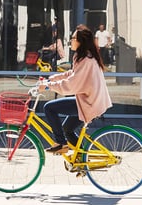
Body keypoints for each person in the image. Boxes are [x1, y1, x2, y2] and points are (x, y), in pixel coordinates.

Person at [40, 24, 113, 154]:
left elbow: (71, 85)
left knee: (49, 108)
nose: (70, 41)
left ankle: (61, 144)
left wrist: (48, 86)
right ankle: (83, 159)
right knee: (67, 130)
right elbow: (72, 74)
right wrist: (52, 78)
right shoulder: (82, 56)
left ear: (80, 41)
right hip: (87, 100)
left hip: (90, 103)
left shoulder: (86, 60)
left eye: (73, 38)